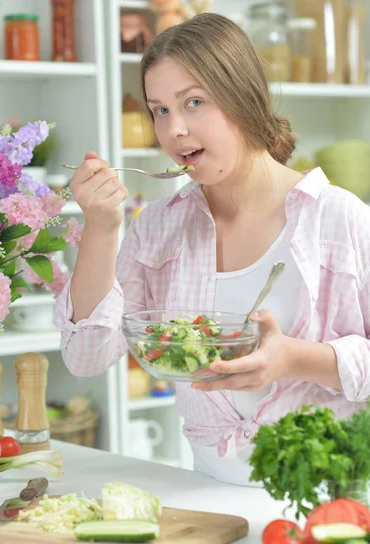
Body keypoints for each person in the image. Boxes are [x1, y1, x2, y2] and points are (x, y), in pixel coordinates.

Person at [55, 13, 370, 486]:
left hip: (328, 502)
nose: (174, 129)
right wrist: (101, 228)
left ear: (244, 98)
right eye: (160, 110)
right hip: (210, 498)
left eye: (194, 102)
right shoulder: (158, 229)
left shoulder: (338, 219)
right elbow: (87, 357)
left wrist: (292, 358)